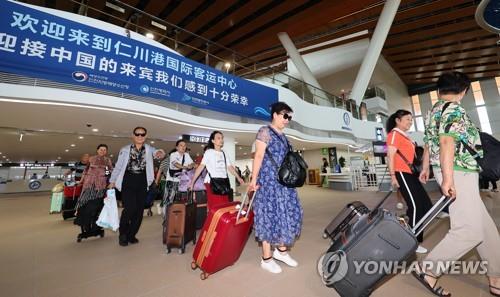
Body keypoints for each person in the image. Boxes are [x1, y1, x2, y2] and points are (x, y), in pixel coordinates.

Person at [414, 72, 500, 297]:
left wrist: (426, 168)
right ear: (463, 92)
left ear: (439, 90)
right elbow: (445, 142)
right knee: (469, 231)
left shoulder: (434, 111)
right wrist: (448, 178)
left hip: (453, 171)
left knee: (486, 230)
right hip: (458, 172)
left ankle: (496, 277)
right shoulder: (454, 109)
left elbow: (428, 143)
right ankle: (428, 269)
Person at [248, 102, 303, 274]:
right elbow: (258, 156)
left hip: (284, 184)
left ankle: (281, 251)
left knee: (286, 215)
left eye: (289, 117)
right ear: (275, 115)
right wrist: (253, 180)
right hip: (269, 184)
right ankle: (266, 258)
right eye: (285, 116)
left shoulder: (285, 137)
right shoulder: (265, 132)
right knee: (268, 217)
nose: (287, 120)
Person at [386, 109, 433, 254]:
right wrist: (393, 176)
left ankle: (405, 227)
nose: (410, 122)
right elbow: (390, 156)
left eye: (411, 120)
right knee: (416, 206)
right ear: (398, 120)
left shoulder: (405, 136)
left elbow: (412, 158)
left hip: (410, 173)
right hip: (401, 173)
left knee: (425, 205)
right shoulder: (394, 134)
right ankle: (413, 242)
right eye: (407, 119)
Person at [109, 127, 165, 247]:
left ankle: (131, 235)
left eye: (142, 134)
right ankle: (123, 234)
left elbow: (158, 152)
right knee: (130, 208)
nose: (140, 136)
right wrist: (112, 181)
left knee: (139, 211)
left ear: (145, 136)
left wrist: (160, 153)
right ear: (133, 136)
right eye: (137, 134)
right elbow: (118, 167)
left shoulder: (149, 149)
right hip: (128, 181)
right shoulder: (125, 149)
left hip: (142, 182)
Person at [189, 131, 244, 211]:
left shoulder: (224, 153)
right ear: (213, 141)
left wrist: (238, 177)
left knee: (224, 206)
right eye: (218, 138)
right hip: (212, 182)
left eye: (222, 138)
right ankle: (212, 223)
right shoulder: (209, 152)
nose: (221, 140)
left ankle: (220, 223)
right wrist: (192, 182)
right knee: (215, 207)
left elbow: (230, 167)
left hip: (223, 183)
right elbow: (201, 167)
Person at [75, 144, 113, 241]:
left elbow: (109, 172)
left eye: (105, 150)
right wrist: (81, 181)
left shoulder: (107, 161)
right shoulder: (91, 159)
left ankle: (95, 228)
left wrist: (109, 181)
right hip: (88, 184)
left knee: (95, 207)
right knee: (84, 205)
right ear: (97, 150)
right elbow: (85, 171)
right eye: (101, 149)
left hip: (100, 186)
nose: (103, 151)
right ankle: (86, 226)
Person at [165, 140, 194, 205]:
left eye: (184, 146)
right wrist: (186, 167)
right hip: (172, 180)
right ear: (177, 147)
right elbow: (176, 164)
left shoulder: (186, 155)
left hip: (182, 181)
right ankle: (166, 214)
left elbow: (192, 163)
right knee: (169, 199)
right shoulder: (173, 154)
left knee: (180, 200)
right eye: (181, 145)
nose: (183, 147)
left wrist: (191, 165)